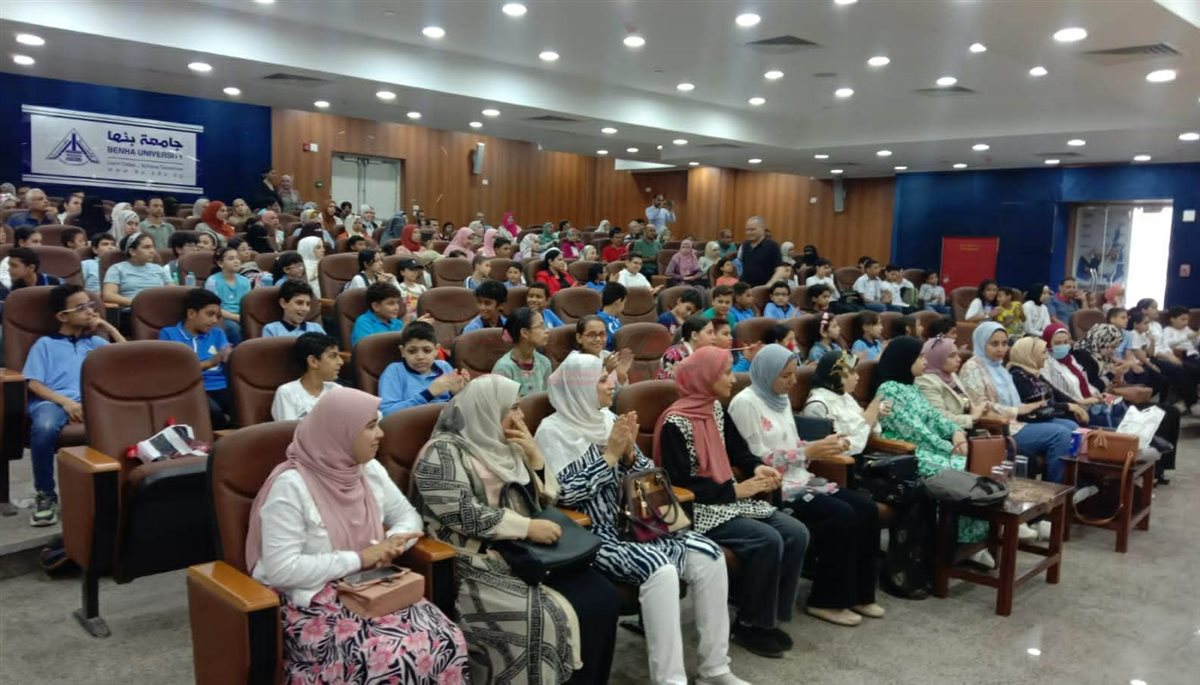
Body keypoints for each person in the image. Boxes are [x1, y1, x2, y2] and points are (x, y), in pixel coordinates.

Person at [535, 355, 748, 685]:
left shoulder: (608, 419)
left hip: (639, 520)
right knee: (660, 570)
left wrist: (630, 456)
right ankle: (670, 680)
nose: (612, 385)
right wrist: (609, 456)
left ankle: (715, 668)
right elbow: (564, 495)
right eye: (602, 380)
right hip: (596, 533)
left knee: (710, 556)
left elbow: (649, 475)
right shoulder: (552, 432)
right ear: (579, 388)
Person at [247, 386, 469, 682]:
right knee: (389, 658)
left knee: (447, 638)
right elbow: (281, 569)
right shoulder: (291, 487)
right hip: (313, 601)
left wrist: (392, 543)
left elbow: (408, 517)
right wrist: (362, 558)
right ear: (340, 432)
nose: (381, 434)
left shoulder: (367, 469)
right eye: (371, 426)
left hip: (371, 585)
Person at [411, 376, 620, 684]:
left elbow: (546, 500)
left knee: (603, 596)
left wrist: (535, 458)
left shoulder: (507, 443)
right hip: (475, 561)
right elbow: (461, 513)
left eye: (520, 407)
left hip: (530, 551)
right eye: (513, 408)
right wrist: (525, 527)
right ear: (487, 409)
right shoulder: (442, 452)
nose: (521, 417)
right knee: (544, 618)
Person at [654, 346, 808, 658]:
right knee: (767, 539)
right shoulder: (675, 423)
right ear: (705, 377)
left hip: (727, 499)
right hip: (697, 510)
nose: (733, 379)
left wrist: (756, 467)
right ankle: (749, 624)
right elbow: (678, 485)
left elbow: (738, 450)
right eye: (725, 373)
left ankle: (768, 618)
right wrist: (736, 491)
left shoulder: (714, 409)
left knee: (796, 532)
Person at [732, 346, 884, 626]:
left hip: (801, 478)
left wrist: (819, 446)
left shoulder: (780, 398)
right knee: (841, 515)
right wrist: (808, 451)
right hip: (774, 487)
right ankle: (826, 600)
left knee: (866, 508)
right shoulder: (745, 404)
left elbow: (790, 444)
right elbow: (756, 459)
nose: (793, 382)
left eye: (794, 374)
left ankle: (860, 595)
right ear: (766, 374)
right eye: (785, 376)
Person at [871, 337, 992, 562]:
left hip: (928, 448)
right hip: (906, 454)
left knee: (977, 467)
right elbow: (913, 431)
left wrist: (955, 431)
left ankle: (975, 540)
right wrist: (950, 447)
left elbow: (933, 416)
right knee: (963, 470)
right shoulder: (888, 390)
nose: (924, 361)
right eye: (919, 357)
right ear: (905, 360)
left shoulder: (911, 387)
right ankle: (959, 541)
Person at [24, 284, 125, 527]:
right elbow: (34, 383)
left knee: (128, 421)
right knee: (44, 428)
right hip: (53, 401)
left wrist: (108, 328)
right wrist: (66, 403)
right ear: (62, 316)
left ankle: (119, 491)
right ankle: (45, 494)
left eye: (91, 305)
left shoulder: (96, 343)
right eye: (81, 307)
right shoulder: (45, 344)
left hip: (93, 402)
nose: (90, 311)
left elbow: (129, 357)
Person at [958, 322, 1076, 482]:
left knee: (1072, 426)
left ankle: (1074, 483)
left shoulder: (1000, 368)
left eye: (1004, 343)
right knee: (1060, 434)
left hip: (1017, 422)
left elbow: (1015, 403)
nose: (1001, 349)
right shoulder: (972, 368)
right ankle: (1056, 487)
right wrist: (1019, 410)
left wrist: (1028, 408)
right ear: (981, 343)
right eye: (994, 344)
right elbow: (980, 406)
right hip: (998, 428)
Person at [159, 288, 233, 428]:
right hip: (191, 388)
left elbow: (226, 355)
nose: (214, 320)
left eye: (217, 316)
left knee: (246, 407)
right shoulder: (168, 334)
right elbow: (173, 371)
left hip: (222, 385)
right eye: (210, 314)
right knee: (214, 412)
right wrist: (209, 363)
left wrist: (230, 356)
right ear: (191, 314)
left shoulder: (217, 333)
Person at [802, 351, 891, 454]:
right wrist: (868, 419)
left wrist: (874, 415)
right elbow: (833, 451)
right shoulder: (817, 405)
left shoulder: (846, 397)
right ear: (836, 373)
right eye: (852, 372)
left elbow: (871, 435)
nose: (857, 377)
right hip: (842, 462)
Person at [379, 321, 469, 415]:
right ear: (402, 351)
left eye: (427, 350)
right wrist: (428, 394)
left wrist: (459, 393)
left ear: (436, 350)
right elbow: (386, 412)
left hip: (446, 420)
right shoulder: (394, 371)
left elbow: (458, 408)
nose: (420, 357)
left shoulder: (444, 366)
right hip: (412, 422)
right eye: (412, 351)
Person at [1008, 337, 1089, 425]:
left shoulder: (1034, 374)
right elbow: (1039, 406)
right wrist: (1069, 406)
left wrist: (1078, 407)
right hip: (1036, 422)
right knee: (1071, 426)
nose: (1046, 357)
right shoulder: (1019, 377)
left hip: (1052, 416)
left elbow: (1057, 394)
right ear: (1030, 355)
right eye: (1043, 352)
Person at [914, 336, 989, 430]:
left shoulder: (951, 375)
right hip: (950, 433)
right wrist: (973, 417)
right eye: (952, 356)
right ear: (937, 358)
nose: (959, 359)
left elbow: (966, 401)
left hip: (966, 429)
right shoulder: (925, 381)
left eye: (958, 355)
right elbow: (939, 418)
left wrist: (975, 408)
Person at [270, 333, 342, 420]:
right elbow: (288, 428)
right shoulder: (287, 393)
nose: (341, 362)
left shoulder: (337, 390)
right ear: (313, 361)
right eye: (333, 356)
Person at [492, 307, 552, 396]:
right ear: (524, 333)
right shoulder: (503, 368)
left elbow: (546, 399)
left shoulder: (545, 363)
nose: (547, 331)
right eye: (541, 326)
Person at [102, 233, 171, 308]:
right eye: (146, 247)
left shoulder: (158, 268)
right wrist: (136, 303)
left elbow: (173, 290)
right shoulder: (116, 269)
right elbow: (108, 295)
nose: (152, 251)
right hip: (134, 309)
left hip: (161, 308)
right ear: (132, 251)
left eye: (153, 247)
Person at [204, 245, 251, 344]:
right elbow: (213, 308)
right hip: (222, 317)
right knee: (233, 328)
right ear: (220, 263)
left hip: (241, 316)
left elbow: (248, 305)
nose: (236, 261)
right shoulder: (212, 281)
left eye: (237, 258)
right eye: (231, 259)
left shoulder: (245, 281)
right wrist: (237, 317)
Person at [658, 315, 715, 380]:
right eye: (709, 333)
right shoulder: (673, 354)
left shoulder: (707, 355)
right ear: (694, 335)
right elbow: (668, 384)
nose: (714, 337)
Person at [350, 282, 404, 346]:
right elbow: (367, 348)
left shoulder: (398, 323)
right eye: (391, 303)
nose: (397, 307)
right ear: (376, 306)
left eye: (397, 302)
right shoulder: (363, 323)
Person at [735, 216, 779, 287]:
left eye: (752, 229)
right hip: (745, 287)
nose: (748, 232)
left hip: (763, 288)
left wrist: (768, 285)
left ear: (762, 228)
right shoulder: (745, 245)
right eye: (747, 230)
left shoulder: (772, 245)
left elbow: (779, 269)